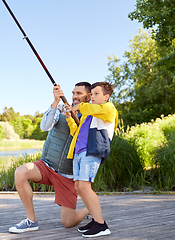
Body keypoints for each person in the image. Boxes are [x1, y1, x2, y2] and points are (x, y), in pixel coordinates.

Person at [9, 82, 91, 234]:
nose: (74, 96)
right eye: (73, 93)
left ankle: (88, 209)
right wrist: (55, 102)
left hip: (67, 175)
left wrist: (74, 114)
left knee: (68, 222)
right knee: (21, 172)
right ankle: (31, 221)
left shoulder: (91, 117)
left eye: (79, 93)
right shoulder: (59, 108)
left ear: (89, 96)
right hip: (46, 165)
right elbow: (45, 127)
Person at [65, 82, 118, 238]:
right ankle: (95, 220)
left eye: (96, 94)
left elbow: (101, 112)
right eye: (92, 94)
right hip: (79, 153)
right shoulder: (89, 113)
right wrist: (69, 117)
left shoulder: (108, 108)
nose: (92, 97)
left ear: (106, 97)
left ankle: (101, 225)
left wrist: (80, 106)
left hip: (92, 152)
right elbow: (77, 132)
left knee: (85, 187)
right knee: (79, 187)